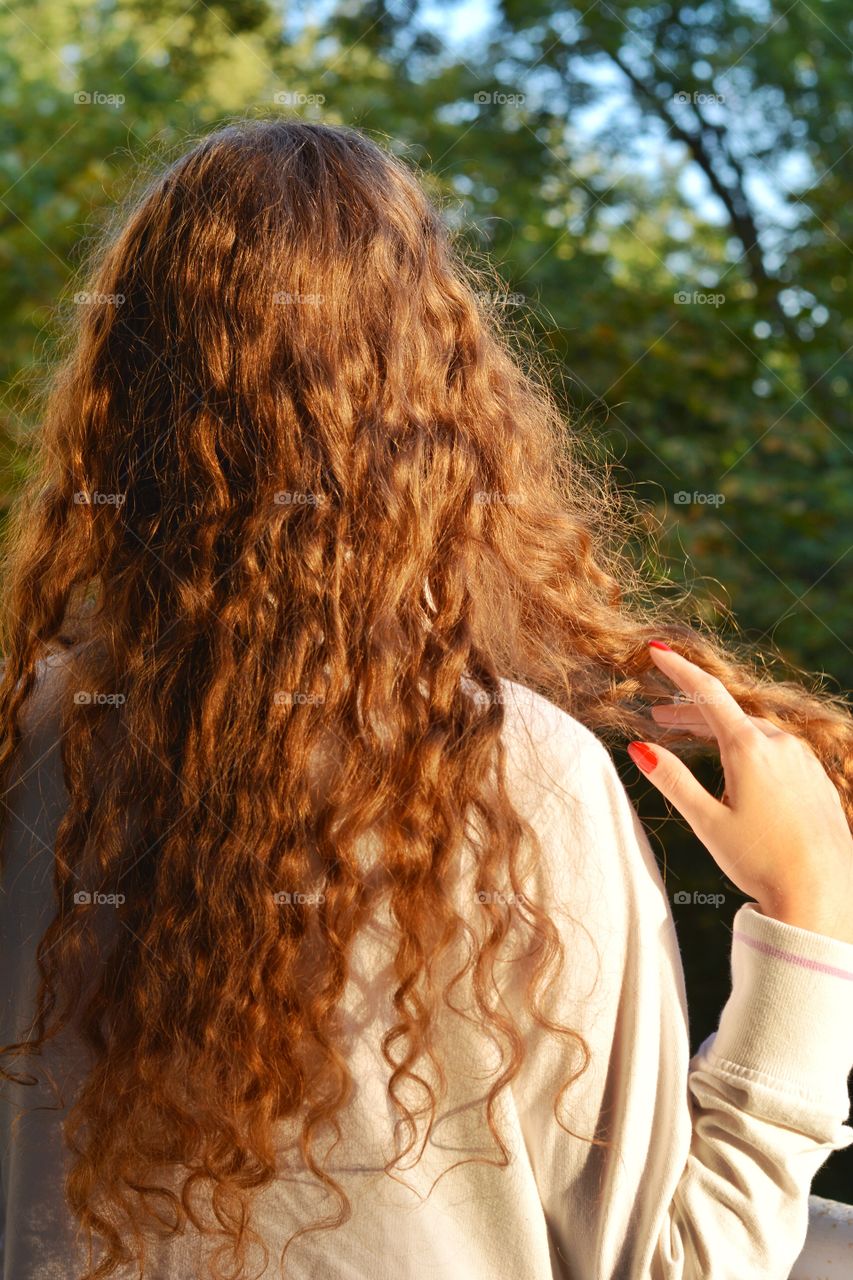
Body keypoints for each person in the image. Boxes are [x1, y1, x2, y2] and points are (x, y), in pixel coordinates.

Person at [1, 117, 852, 1280]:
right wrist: (810, 919)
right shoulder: (533, 779)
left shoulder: (19, 742)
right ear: (441, 413)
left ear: (116, 397)